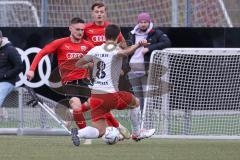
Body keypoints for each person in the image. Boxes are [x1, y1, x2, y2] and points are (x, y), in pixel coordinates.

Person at [70, 24, 155, 146]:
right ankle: (137, 134)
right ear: (118, 37)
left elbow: (78, 64)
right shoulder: (114, 49)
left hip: (95, 96)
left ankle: (78, 133)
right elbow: (125, 53)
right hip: (110, 95)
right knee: (135, 102)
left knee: (100, 131)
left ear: (104, 35)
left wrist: (90, 65)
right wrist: (138, 45)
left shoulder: (95, 50)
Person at [70, 1, 130, 140]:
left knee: (100, 101)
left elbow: (123, 47)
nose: (99, 14)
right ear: (92, 13)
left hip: (110, 70)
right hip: (95, 69)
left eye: (102, 12)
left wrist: (122, 68)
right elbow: (81, 45)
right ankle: (116, 129)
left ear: (105, 13)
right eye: (97, 12)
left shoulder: (112, 29)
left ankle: (114, 129)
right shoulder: (86, 29)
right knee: (102, 101)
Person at [26, 17, 94, 129]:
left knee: (95, 103)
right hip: (69, 83)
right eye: (77, 29)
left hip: (84, 82)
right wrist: (32, 69)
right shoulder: (61, 43)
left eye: (82, 30)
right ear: (70, 28)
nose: (80, 32)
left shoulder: (88, 45)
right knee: (76, 105)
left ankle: (71, 114)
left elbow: (98, 59)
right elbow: (41, 53)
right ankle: (84, 133)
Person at [126, 12, 171, 112]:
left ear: (149, 22)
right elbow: (126, 47)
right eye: (141, 22)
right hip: (133, 71)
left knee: (148, 100)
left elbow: (167, 42)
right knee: (137, 100)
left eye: (145, 22)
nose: (143, 24)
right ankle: (139, 125)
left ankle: (147, 124)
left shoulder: (156, 33)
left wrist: (149, 48)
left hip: (147, 71)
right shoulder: (132, 34)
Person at [0, 30, 23, 119]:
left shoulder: (10, 49)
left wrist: (6, 75)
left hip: (7, 81)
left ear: (1, 38)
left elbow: (20, 66)